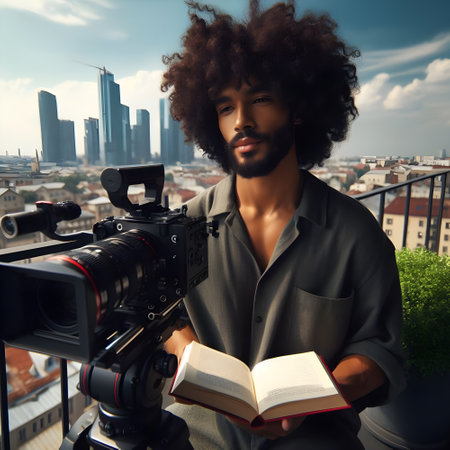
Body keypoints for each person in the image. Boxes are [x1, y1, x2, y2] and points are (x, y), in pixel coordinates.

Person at [162, 1, 405, 448]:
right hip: (198, 433)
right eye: (224, 107)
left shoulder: (355, 233)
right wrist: (186, 351)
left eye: (260, 99)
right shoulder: (189, 224)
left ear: (297, 107)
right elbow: (165, 318)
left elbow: (380, 348)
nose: (241, 122)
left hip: (315, 437)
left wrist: (317, 397)